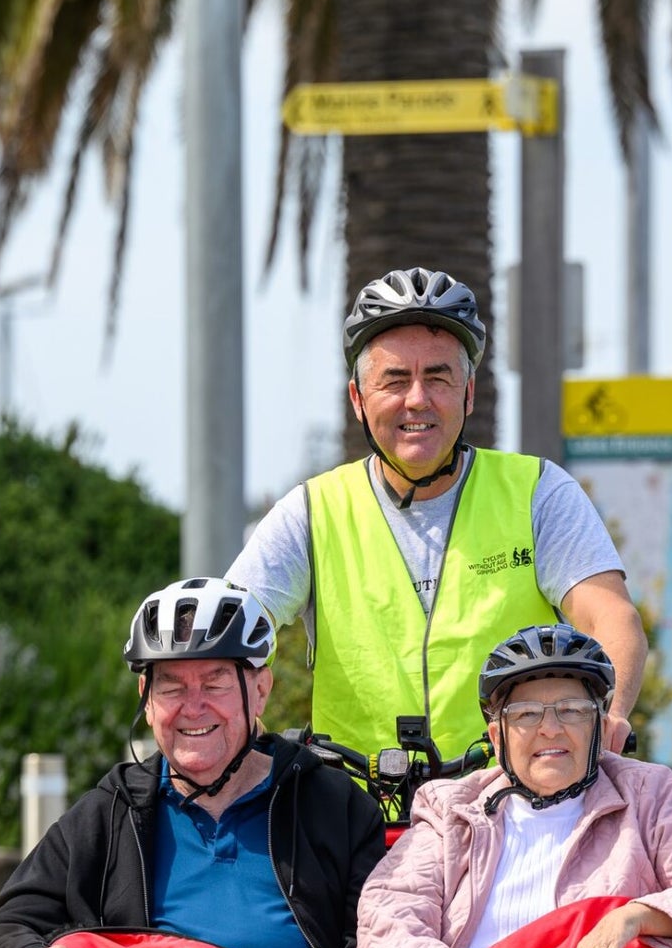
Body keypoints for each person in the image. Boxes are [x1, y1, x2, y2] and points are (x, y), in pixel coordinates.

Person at [228, 267, 647, 766]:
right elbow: (231, 629)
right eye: (395, 380)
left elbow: (611, 617)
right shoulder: (311, 511)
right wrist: (238, 722)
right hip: (353, 818)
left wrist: (609, 712)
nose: (418, 399)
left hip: (511, 805)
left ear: (468, 394)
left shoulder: (538, 492)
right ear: (358, 401)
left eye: (439, 377)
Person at [0, 577, 386, 948]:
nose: (192, 707)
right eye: (171, 686)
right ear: (146, 699)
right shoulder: (113, 812)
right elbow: (1, 931)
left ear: (260, 691)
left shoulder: (335, 806)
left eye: (214, 684)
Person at [355, 624, 672, 948]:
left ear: (600, 726)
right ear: (496, 737)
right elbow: (387, 916)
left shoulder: (648, 795)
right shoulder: (451, 808)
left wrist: (635, 917)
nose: (551, 729)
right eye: (526, 715)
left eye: (572, 711)